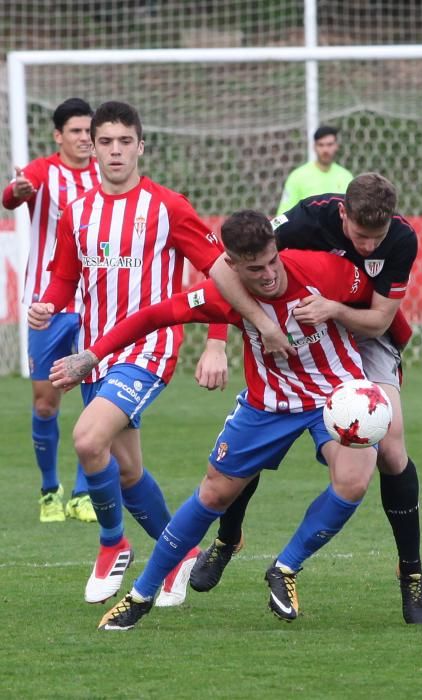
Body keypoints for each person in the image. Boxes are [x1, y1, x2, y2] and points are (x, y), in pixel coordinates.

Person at [49, 208, 381, 631]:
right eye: (253, 269)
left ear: (277, 249)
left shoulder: (324, 269)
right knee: (214, 495)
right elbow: (154, 316)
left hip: (337, 397)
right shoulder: (223, 296)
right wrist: (91, 357)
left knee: (353, 480)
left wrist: (339, 314)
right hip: (269, 403)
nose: (267, 276)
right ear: (232, 266)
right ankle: (141, 595)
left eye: (271, 262)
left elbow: (378, 306)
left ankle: (285, 567)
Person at [196, 173, 422, 626]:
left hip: (361, 332)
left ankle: (412, 572)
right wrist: (227, 336)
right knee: (259, 436)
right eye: (359, 236)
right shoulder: (305, 220)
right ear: (342, 214)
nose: (367, 247)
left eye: (375, 238)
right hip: (299, 331)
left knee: (391, 445)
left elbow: (380, 321)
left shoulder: (401, 238)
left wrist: (332, 308)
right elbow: (227, 267)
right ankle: (228, 539)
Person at [27, 100, 229, 609]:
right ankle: (180, 551)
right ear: (91, 148)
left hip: (149, 350)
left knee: (86, 439)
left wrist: (218, 342)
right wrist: (49, 302)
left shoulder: (167, 207)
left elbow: (224, 272)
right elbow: (65, 276)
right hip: (95, 353)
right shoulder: (79, 212)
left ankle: (113, 542)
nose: (115, 151)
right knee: (126, 470)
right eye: (105, 142)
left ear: (141, 146)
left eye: (124, 142)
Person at [2, 98, 100, 524]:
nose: (84, 138)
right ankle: (49, 490)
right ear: (58, 135)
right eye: (75, 131)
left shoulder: (107, 175)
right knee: (46, 402)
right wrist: (16, 191)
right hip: (48, 303)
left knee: (96, 399)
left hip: (96, 304)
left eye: (88, 131)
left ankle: (83, 493)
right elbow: (11, 194)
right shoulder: (44, 172)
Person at [276, 125, 353, 215]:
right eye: (321, 145)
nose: (325, 150)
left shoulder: (346, 177)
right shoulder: (297, 176)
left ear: (336, 146)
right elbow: (284, 215)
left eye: (329, 144)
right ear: (314, 147)